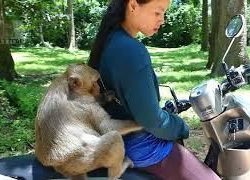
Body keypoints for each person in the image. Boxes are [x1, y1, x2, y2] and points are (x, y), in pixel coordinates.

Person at [88, 0, 221, 179]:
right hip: (140, 145)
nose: (162, 20)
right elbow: (154, 122)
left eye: (164, 13)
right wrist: (181, 127)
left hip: (113, 138)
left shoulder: (109, 39)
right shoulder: (131, 50)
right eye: (158, 13)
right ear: (133, 5)